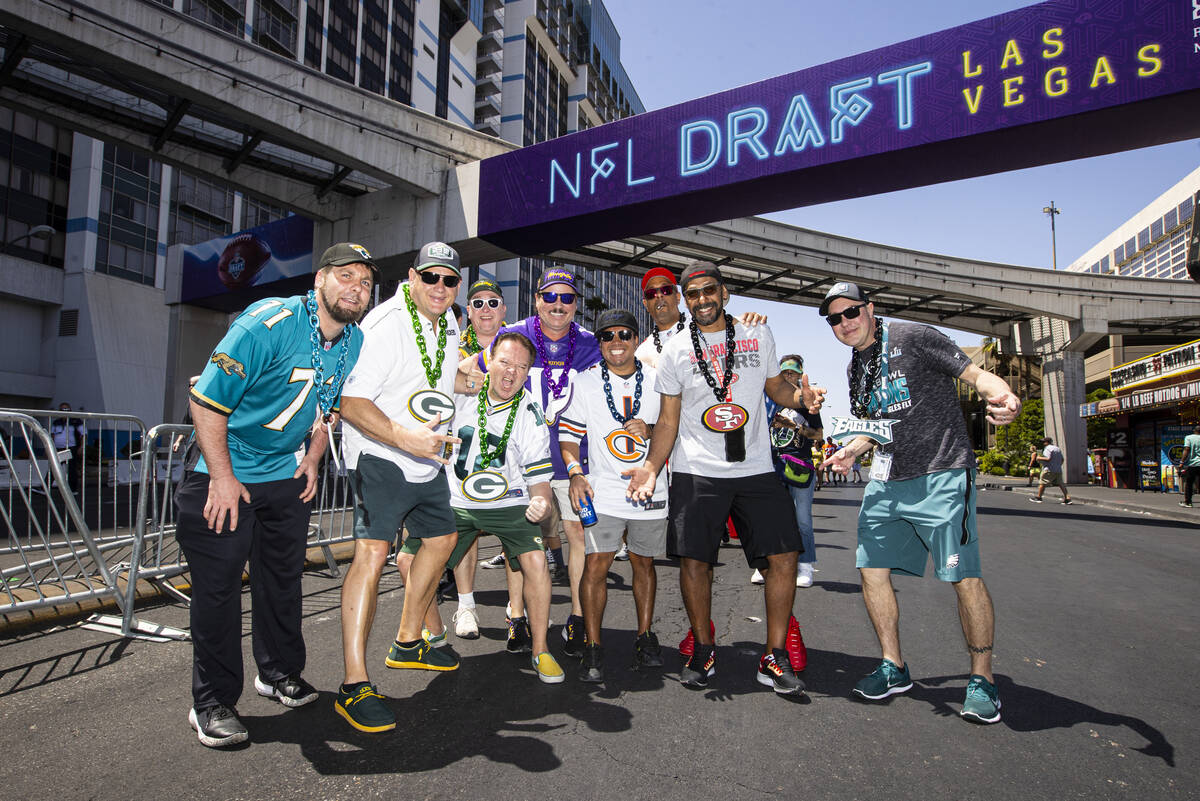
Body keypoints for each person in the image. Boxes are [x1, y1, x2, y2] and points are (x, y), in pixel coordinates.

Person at [175, 242, 374, 748]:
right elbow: (206, 400)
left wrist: (312, 458)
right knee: (219, 594)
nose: (357, 287)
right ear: (320, 281)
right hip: (223, 477)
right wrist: (222, 477)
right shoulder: (268, 321)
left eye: (366, 282)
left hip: (283, 478)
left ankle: (279, 671)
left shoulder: (353, 340)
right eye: (346, 276)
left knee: (282, 581)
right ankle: (212, 702)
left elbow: (326, 408)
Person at [820, 281, 1021, 725]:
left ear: (870, 308)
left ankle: (982, 678)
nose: (844, 323)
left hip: (942, 473)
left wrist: (1005, 396)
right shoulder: (856, 365)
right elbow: (876, 428)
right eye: (834, 319)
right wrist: (850, 451)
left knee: (962, 575)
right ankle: (894, 666)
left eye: (851, 312)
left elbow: (976, 375)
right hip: (887, 480)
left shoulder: (914, 336)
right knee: (870, 570)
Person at [626, 261, 825, 697]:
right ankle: (703, 648)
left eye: (709, 291)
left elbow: (776, 389)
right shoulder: (676, 350)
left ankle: (773, 655)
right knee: (694, 561)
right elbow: (668, 420)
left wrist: (802, 400)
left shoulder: (758, 334)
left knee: (784, 556)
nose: (701, 300)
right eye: (693, 293)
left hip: (755, 466)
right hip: (698, 471)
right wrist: (650, 467)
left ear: (725, 292)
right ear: (686, 298)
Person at [335, 241, 484, 734]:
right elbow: (351, 402)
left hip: (425, 459)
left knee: (442, 540)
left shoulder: (449, 322)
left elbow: (430, 379)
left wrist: (467, 385)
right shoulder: (383, 325)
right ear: (413, 277)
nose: (441, 287)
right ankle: (354, 686)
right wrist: (406, 438)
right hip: (381, 455)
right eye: (432, 277)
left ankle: (406, 640)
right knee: (372, 558)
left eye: (450, 280)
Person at [402, 331, 564, 683]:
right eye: (504, 362)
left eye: (521, 367)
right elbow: (436, 382)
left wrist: (541, 501)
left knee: (536, 561)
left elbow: (539, 479)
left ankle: (540, 649)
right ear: (488, 361)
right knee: (408, 560)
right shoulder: (459, 396)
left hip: (509, 502)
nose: (511, 373)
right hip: (457, 501)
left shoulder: (530, 411)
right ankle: (436, 635)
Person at [495, 268, 600, 659]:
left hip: (575, 460)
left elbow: (639, 362)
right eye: (550, 297)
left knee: (577, 538)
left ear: (575, 304)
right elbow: (474, 368)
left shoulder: (592, 342)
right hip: (522, 460)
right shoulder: (515, 334)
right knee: (520, 542)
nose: (558, 305)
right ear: (537, 299)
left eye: (567, 298)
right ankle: (518, 616)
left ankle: (576, 616)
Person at [558, 309, 668, 683]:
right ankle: (593, 645)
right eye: (607, 336)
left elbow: (679, 429)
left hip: (651, 489)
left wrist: (651, 428)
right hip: (603, 492)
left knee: (644, 565)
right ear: (600, 342)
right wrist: (575, 473)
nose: (616, 341)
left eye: (624, 334)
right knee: (595, 566)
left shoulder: (658, 380)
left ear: (637, 340)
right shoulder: (585, 383)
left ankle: (645, 636)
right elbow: (569, 437)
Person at [445, 278, 509, 639]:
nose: (485, 309)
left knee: (515, 536)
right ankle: (466, 606)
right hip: (463, 455)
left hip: (507, 452)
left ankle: (519, 608)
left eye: (493, 302)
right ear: (468, 312)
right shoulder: (452, 346)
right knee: (465, 533)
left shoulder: (518, 347)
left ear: (503, 310)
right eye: (478, 303)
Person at [756, 354, 823, 590]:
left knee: (802, 520)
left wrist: (794, 426)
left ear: (800, 374)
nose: (789, 376)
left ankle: (805, 566)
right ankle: (764, 565)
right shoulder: (769, 400)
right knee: (769, 519)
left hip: (800, 467)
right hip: (772, 466)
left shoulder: (807, 401)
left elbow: (819, 435)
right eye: (784, 373)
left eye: (793, 373)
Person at [49, 402, 85, 493]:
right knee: (54, 467)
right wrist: (50, 447)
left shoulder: (76, 421)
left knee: (72, 469)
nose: (65, 412)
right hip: (58, 448)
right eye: (62, 410)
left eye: (67, 409)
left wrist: (82, 447)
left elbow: (83, 434)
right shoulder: (56, 422)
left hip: (71, 448)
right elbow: (52, 435)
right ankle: (45, 487)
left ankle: (73, 489)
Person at [1031, 437, 1072, 504]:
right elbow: (1062, 459)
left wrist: (1038, 458)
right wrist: (1058, 465)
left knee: (1042, 483)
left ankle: (1039, 497)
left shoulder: (1047, 449)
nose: (1043, 443)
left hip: (1048, 469)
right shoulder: (1057, 448)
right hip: (1058, 470)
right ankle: (1067, 498)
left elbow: (1048, 458)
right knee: (1061, 484)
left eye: (1043, 442)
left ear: (1047, 442)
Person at [1180, 425, 1200, 508]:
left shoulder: (1189, 438)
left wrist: (1182, 461)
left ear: (1194, 430)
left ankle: (1188, 502)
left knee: (1189, 483)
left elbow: (1186, 449)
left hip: (1193, 464)